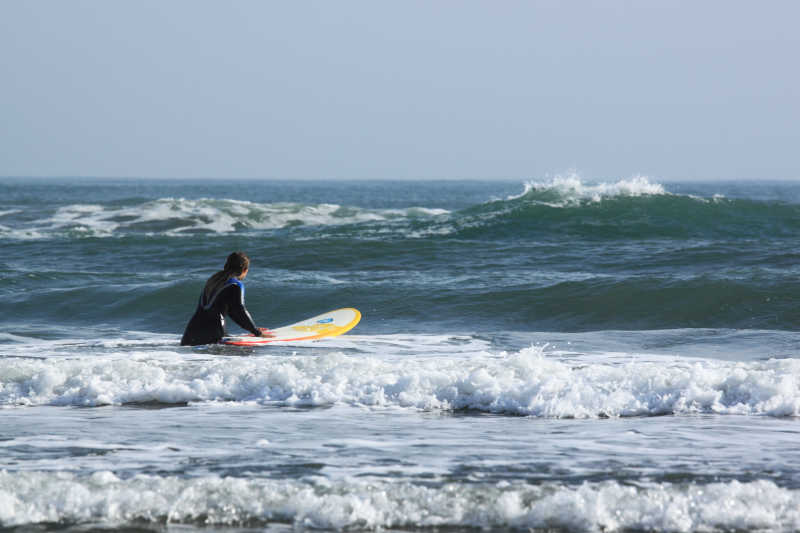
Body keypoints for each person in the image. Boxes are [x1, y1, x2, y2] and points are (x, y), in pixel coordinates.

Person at [180, 252, 273, 346]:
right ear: (245, 270)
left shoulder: (213, 280)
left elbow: (232, 312)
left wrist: (253, 329)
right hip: (213, 333)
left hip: (191, 332)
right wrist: (257, 332)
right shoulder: (235, 285)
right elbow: (239, 310)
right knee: (249, 353)